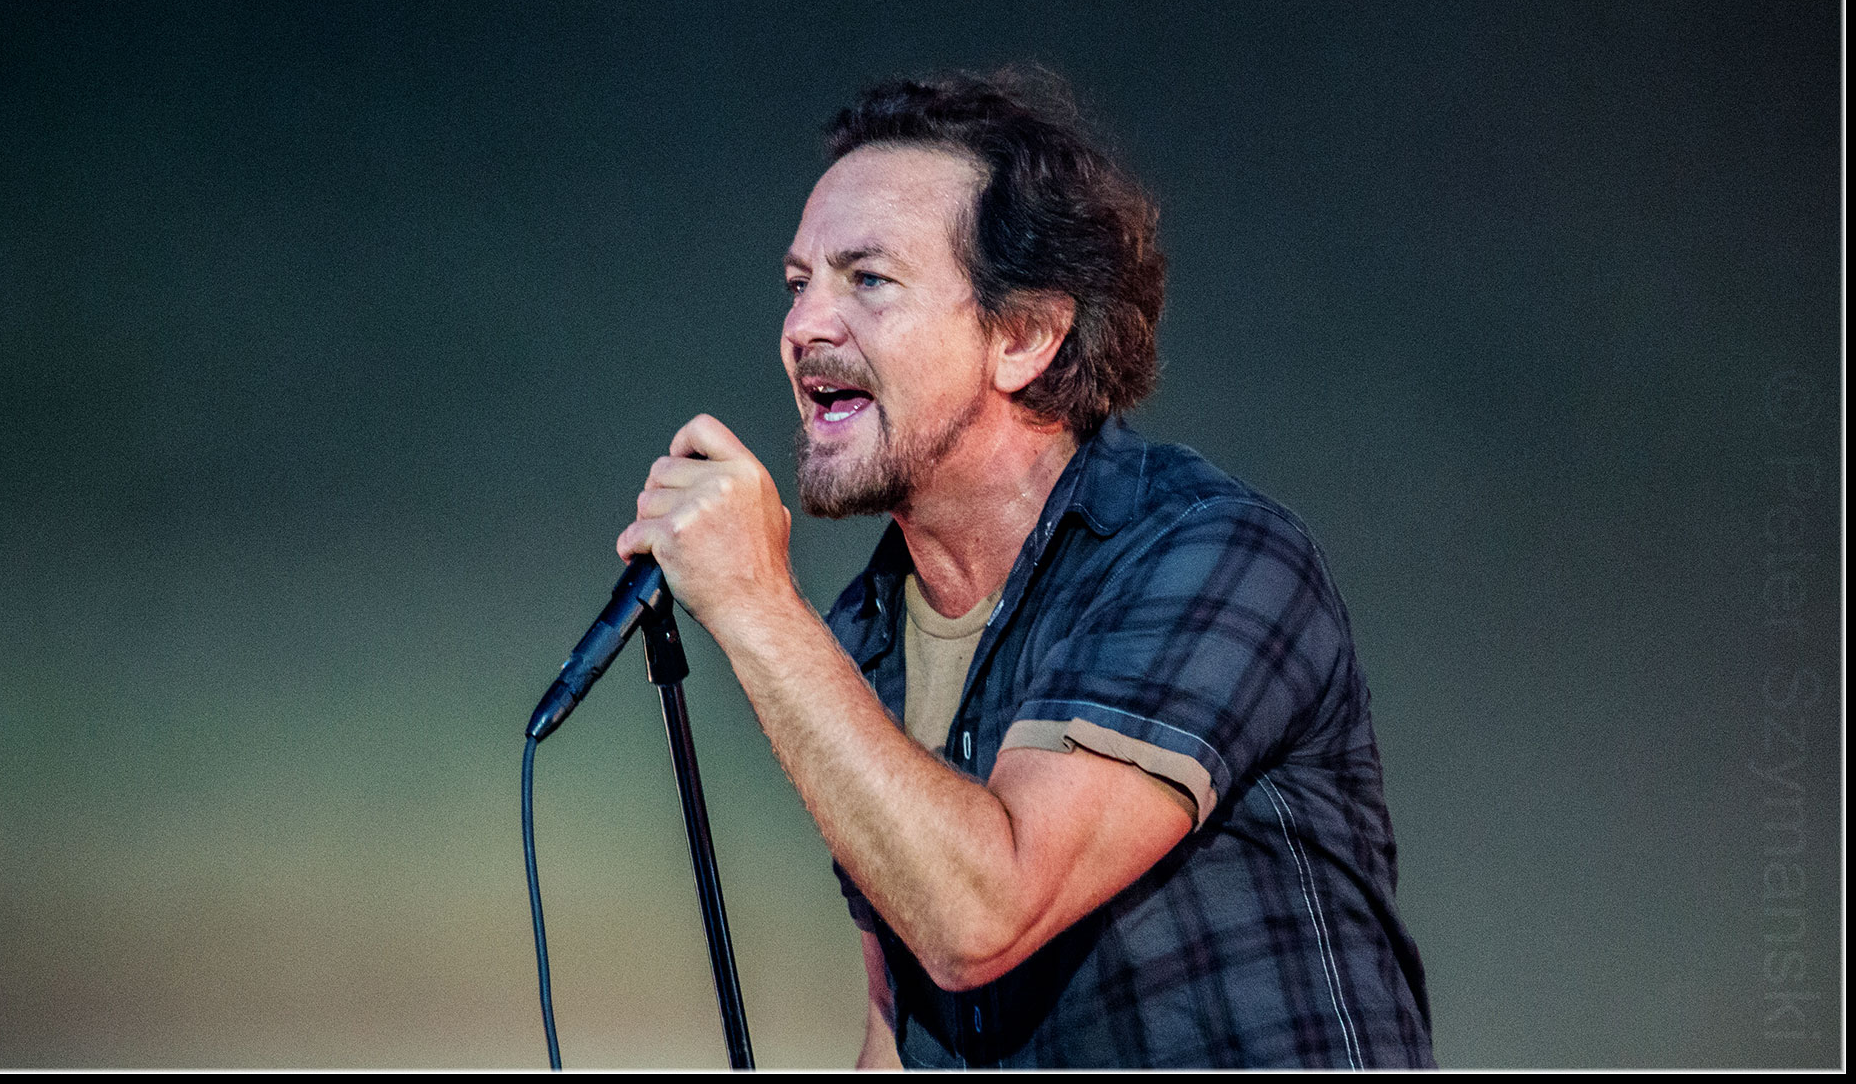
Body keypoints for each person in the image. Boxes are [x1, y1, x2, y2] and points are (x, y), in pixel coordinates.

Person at [615, 69, 1434, 1069]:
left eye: (866, 279)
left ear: (1024, 335)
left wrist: (754, 604)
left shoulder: (1207, 552)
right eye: (798, 284)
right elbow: (900, 1022)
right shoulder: (860, 638)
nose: (803, 328)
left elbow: (979, 913)